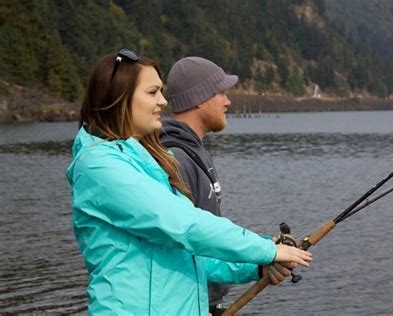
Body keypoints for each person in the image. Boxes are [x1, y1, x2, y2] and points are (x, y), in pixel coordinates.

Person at [66, 49, 313, 315]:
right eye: (152, 93)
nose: (163, 101)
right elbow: (184, 224)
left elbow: (190, 256)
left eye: (161, 92)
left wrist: (255, 266)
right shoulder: (100, 166)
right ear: (118, 98)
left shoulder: (148, 162)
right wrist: (266, 250)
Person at [159, 56, 238, 314]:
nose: (228, 101)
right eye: (222, 93)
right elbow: (190, 244)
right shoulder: (176, 159)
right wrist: (260, 262)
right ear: (200, 99)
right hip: (191, 304)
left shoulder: (195, 150)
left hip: (207, 302)